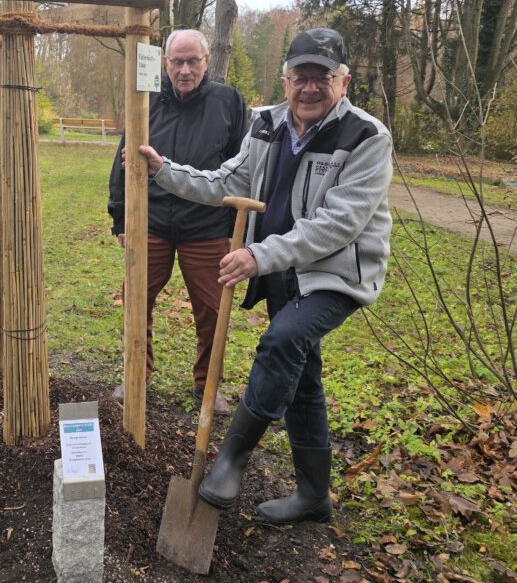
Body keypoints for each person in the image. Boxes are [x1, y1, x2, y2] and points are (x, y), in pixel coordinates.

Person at [137, 27, 392, 524]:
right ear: (285, 79)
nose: (310, 88)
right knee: (302, 376)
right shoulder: (267, 125)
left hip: (334, 276)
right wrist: (163, 169)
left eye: (323, 77)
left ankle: (232, 457)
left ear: (345, 82)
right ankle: (314, 494)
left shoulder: (365, 137)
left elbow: (338, 224)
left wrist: (258, 255)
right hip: (282, 273)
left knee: (283, 340)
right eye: (301, 77)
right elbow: (227, 181)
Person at [108, 28, 248, 415]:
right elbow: (122, 159)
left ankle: (208, 385)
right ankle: (137, 373)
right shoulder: (146, 100)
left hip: (206, 225)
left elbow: (244, 163)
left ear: (207, 61)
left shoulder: (228, 101)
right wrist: (120, 216)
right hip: (150, 220)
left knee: (212, 308)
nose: (185, 70)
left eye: (193, 61)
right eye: (177, 62)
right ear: (165, 63)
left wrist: (238, 221)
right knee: (136, 300)